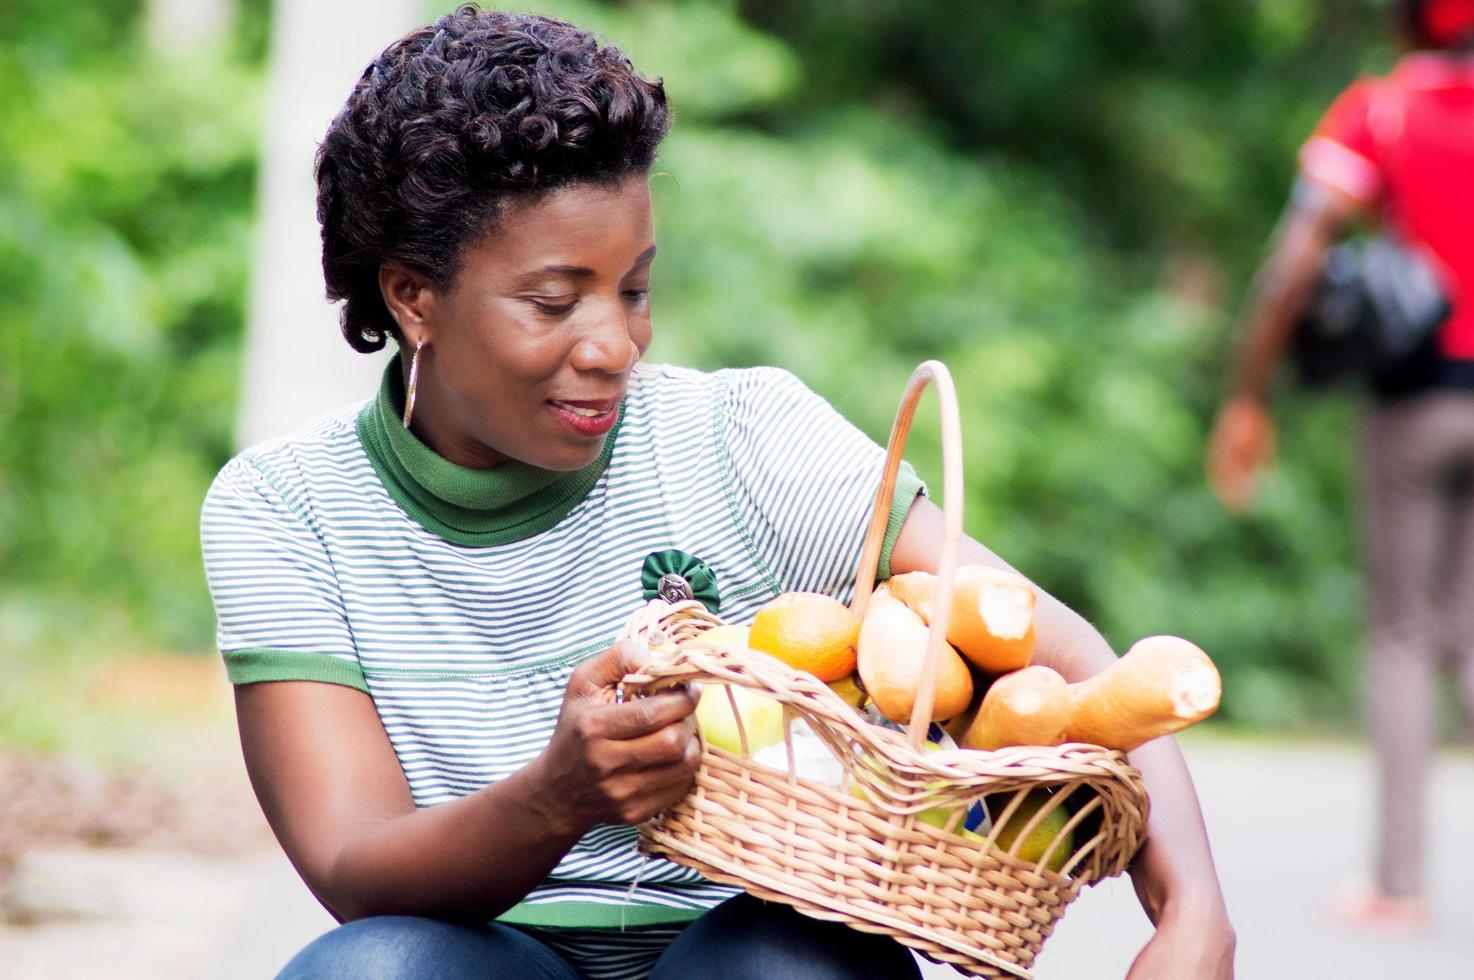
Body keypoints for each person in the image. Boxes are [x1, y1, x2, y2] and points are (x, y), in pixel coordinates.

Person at [202, 6, 1234, 978]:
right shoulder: (288, 508)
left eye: (635, 287)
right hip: (478, 948)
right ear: (412, 294)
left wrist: (1192, 909)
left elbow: (1070, 657)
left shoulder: (741, 436)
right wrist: (554, 798)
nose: (613, 344)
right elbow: (353, 861)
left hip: (736, 940)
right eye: (554, 300)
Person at [1207, 0, 1474, 934]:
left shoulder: (1383, 111)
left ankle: (1399, 888)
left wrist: (1247, 395)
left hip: (1412, 409)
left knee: (1402, 636)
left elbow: (1295, 258)